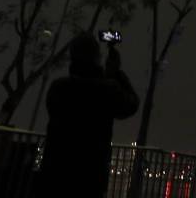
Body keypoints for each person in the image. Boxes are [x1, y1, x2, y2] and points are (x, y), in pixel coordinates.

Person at [37, 33, 139, 197]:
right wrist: (115, 74)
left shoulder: (58, 88)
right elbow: (131, 105)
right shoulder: (107, 90)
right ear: (97, 58)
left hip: (55, 173)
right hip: (90, 178)